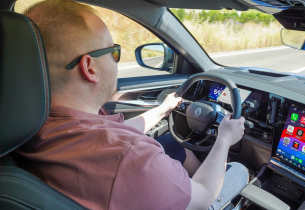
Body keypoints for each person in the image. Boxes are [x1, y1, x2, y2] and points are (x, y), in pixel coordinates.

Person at [16, 0, 248, 210]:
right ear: (89, 68)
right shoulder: (131, 159)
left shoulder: (31, 123)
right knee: (240, 171)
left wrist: (161, 110)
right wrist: (225, 140)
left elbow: (112, 137)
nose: (117, 61)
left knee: (175, 147)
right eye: (114, 52)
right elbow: (203, 195)